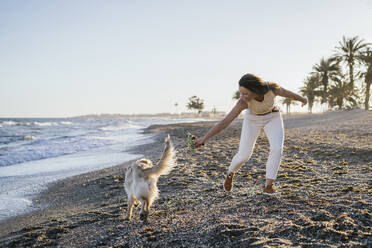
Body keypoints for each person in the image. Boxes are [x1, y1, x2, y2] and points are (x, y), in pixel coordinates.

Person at [195, 73, 307, 195]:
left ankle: (269, 186)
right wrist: (204, 138)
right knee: (244, 155)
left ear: (255, 90)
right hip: (252, 119)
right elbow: (225, 121)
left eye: (245, 93)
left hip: (272, 117)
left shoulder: (271, 89)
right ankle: (230, 173)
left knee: (277, 149)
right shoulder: (242, 103)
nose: (242, 96)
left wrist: (302, 99)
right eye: (240, 93)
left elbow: (288, 94)